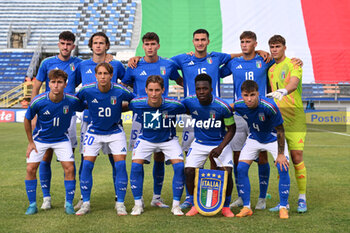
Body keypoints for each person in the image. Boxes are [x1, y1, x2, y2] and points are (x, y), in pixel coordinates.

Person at [121, 32, 183, 208]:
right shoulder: (134, 65)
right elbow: (125, 85)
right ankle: (137, 201)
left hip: (164, 115)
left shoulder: (168, 65)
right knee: (137, 159)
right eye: (147, 44)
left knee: (160, 155)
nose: (150, 47)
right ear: (143, 46)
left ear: (158, 46)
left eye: (153, 44)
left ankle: (156, 197)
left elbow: (181, 81)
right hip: (140, 117)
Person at [220, 31, 274, 210]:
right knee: (237, 156)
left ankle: (261, 198)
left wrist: (296, 60)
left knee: (262, 154)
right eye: (242, 42)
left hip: (261, 114)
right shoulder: (234, 63)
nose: (244, 44)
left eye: (248, 42)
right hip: (239, 115)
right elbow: (216, 72)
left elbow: (280, 61)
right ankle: (242, 197)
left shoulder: (264, 61)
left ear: (255, 44)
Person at [30, 31, 83, 210]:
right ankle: (46, 197)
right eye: (62, 43)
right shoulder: (47, 63)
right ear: (58, 44)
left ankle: (72, 198)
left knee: (69, 158)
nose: (65, 47)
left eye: (69, 44)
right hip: (47, 113)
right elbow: (36, 86)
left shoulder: (79, 64)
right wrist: (34, 111)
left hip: (68, 113)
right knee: (45, 156)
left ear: (73, 46)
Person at [74, 32, 125, 210]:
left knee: (116, 161)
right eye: (95, 43)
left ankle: (119, 197)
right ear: (91, 45)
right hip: (89, 121)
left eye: (101, 43)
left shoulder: (116, 64)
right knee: (85, 160)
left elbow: (127, 83)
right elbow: (75, 92)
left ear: (107, 46)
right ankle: (83, 197)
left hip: (112, 122)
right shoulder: (82, 65)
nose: (98, 46)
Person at [24, 69, 85, 215]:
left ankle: (69, 204)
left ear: (65, 84)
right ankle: (32, 204)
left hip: (61, 139)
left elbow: (86, 105)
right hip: (40, 139)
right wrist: (31, 142)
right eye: (53, 82)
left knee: (69, 168)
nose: (56, 85)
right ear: (48, 84)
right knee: (30, 169)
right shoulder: (38, 101)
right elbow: (27, 119)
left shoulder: (71, 100)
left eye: (59, 82)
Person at [128, 75, 186, 216]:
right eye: (151, 90)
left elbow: (188, 108)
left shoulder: (174, 105)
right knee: (135, 166)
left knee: (179, 167)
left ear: (163, 90)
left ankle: (176, 205)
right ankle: (137, 204)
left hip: (168, 140)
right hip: (146, 139)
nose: (154, 94)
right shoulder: (136, 103)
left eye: (157, 90)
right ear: (146, 90)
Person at [233, 80, 290, 219]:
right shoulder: (239, 104)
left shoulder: (269, 106)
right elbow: (226, 108)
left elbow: (281, 130)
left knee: (283, 167)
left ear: (258, 93)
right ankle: (247, 207)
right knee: (241, 168)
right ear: (242, 95)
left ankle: (283, 207)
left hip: (273, 138)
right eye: (246, 95)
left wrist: (281, 154)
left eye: (252, 94)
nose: (249, 98)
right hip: (254, 138)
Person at [182, 74, 236, 217]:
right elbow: (178, 108)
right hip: (199, 143)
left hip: (219, 143)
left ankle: (225, 206)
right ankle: (194, 204)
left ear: (211, 89)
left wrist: (220, 148)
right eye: (198, 89)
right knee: (188, 171)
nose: (201, 92)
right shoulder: (189, 102)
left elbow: (232, 129)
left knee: (227, 173)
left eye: (205, 88)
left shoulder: (222, 106)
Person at [266, 35, 307, 213]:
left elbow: (293, 82)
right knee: (280, 159)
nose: (274, 49)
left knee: (297, 157)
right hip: (278, 121)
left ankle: (302, 198)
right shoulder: (270, 69)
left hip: (295, 118)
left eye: (277, 46)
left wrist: (284, 90)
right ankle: (284, 201)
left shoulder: (294, 64)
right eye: (272, 47)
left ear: (284, 47)